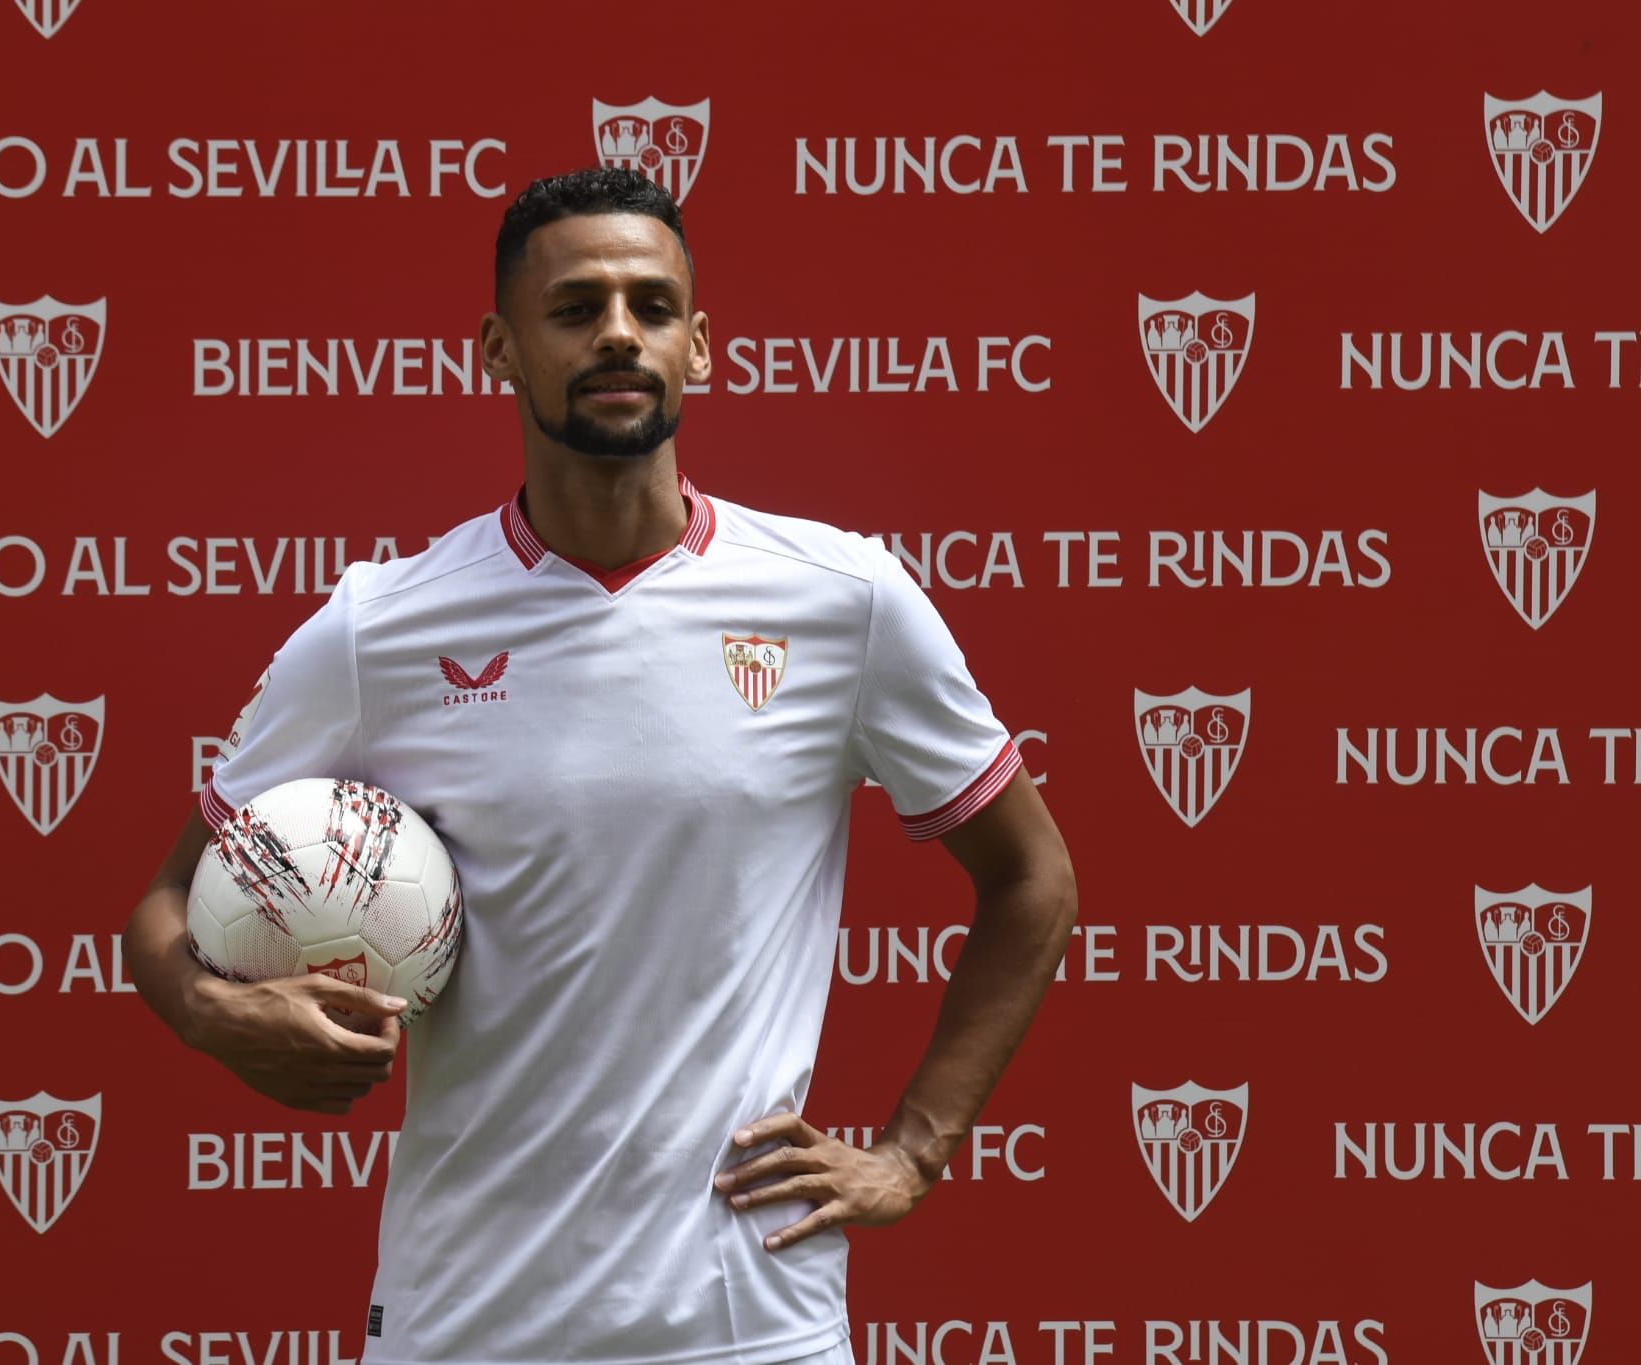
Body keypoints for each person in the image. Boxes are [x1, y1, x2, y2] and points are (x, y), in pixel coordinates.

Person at [123, 166, 1078, 1365]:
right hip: (467, 1320)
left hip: (748, 1322)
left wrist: (911, 1150)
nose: (618, 333)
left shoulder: (842, 601)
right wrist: (218, 1012)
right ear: (499, 349)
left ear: (699, 347)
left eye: (651, 306)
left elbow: (1031, 878)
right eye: (575, 308)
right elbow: (165, 905)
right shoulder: (379, 627)